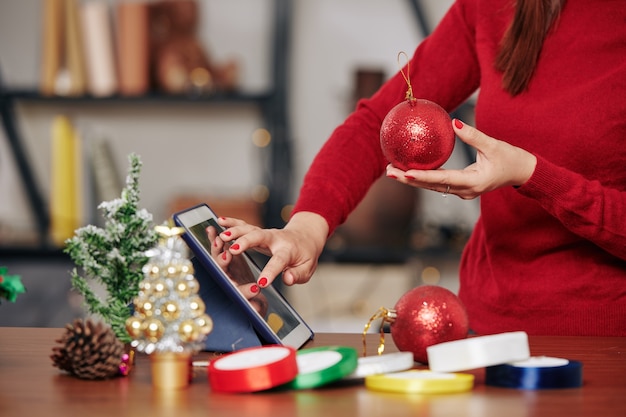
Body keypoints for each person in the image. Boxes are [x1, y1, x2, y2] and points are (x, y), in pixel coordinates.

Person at [211, 0, 626, 336]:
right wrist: (307, 227)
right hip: (486, 337)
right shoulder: (492, 8)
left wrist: (532, 174)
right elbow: (376, 122)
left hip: (608, 346)